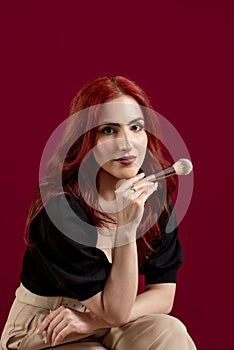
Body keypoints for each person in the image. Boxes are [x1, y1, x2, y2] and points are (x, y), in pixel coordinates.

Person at [0, 76, 197, 349]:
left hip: (105, 319)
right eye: (108, 130)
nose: (126, 143)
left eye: (136, 127)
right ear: (85, 139)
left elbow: (163, 295)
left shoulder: (152, 200)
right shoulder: (60, 209)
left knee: (169, 330)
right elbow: (114, 311)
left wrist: (94, 321)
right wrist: (127, 229)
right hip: (46, 326)